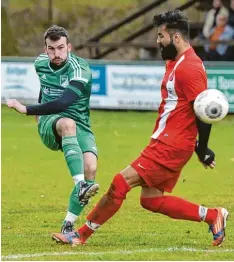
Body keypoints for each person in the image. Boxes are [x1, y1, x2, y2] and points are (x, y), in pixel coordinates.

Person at [51, 10, 229, 248]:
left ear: (176, 37)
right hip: (168, 140)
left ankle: (80, 234)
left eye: (161, 35)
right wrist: (197, 145)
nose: (157, 41)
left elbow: (202, 109)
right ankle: (213, 215)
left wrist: (203, 147)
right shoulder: (177, 62)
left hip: (171, 145)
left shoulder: (190, 68)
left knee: (120, 183)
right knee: (151, 201)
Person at [6, 25, 100, 234]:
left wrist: (27, 109)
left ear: (69, 47)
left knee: (91, 168)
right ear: (45, 49)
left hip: (80, 122)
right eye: (51, 49)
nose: (56, 54)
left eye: (60, 48)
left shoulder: (80, 68)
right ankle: (80, 184)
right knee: (67, 124)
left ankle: (68, 224)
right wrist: (38, 116)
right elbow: (45, 87)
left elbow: (64, 102)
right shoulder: (40, 63)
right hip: (52, 121)